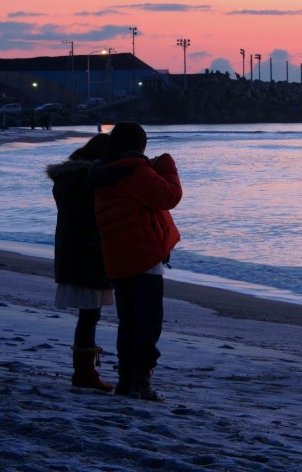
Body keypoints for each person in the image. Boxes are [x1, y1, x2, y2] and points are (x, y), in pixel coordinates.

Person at [88, 122, 182, 401]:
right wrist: (166, 164)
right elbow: (170, 196)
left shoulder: (104, 173)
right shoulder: (134, 172)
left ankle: (127, 380)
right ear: (139, 145)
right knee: (148, 324)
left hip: (117, 257)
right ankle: (141, 380)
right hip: (143, 257)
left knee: (128, 322)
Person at [47, 133, 116, 392]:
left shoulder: (67, 180)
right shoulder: (88, 182)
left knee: (88, 315)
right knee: (89, 315)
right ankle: (84, 372)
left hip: (71, 250)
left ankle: (84, 370)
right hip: (88, 251)